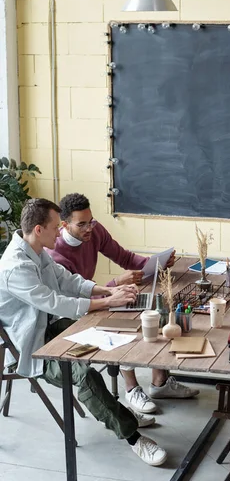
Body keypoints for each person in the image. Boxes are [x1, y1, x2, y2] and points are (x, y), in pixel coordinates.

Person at [0, 198, 167, 465]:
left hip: (50, 328)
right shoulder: (16, 267)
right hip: (32, 347)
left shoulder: (36, 249)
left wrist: (108, 291)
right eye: (56, 227)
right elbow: (54, 301)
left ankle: (125, 401)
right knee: (85, 375)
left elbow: (67, 280)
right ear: (40, 229)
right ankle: (133, 437)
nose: (60, 232)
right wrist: (107, 300)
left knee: (110, 330)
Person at [47, 193, 199, 421]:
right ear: (64, 225)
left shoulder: (94, 232)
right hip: (72, 313)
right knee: (125, 323)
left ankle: (160, 382)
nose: (89, 228)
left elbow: (124, 257)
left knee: (154, 311)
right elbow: (75, 300)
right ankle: (132, 389)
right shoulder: (56, 255)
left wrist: (154, 264)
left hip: (96, 298)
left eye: (91, 221)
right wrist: (115, 285)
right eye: (82, 224)